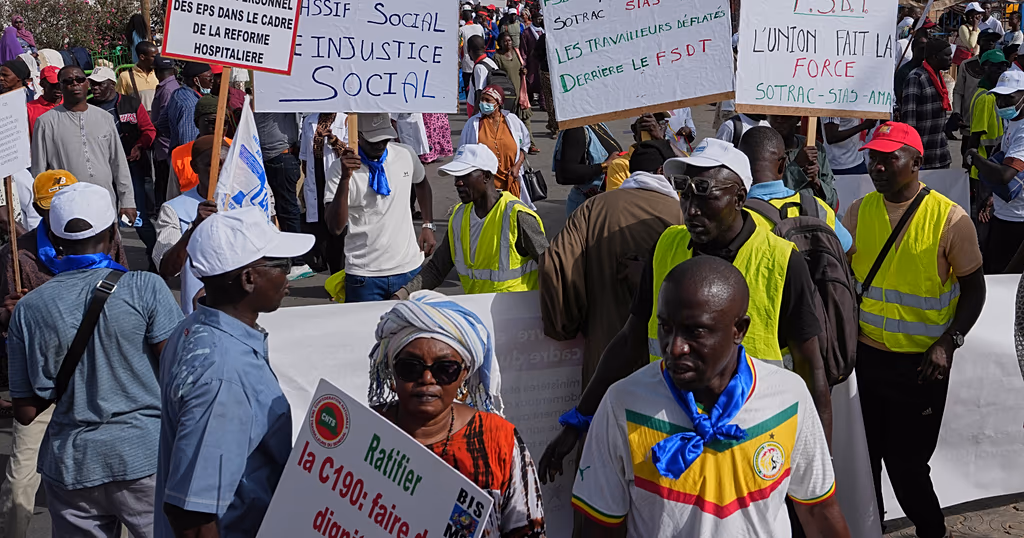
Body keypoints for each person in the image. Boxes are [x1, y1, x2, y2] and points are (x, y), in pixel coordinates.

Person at [539, 138, 831, 487]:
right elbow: (630, 340)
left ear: (739, 197)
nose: (691, 210)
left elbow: (811, 369)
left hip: (754, 447)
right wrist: (579, 420)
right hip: (669, 441)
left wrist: (818, 468)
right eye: (685, 194)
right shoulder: (667, 245)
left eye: (705, 195)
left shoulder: (780, 260)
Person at [572, 257, 850, 537]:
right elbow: (600, 527)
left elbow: (818, 510)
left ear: (739, 330)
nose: (675, 348)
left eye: (695, 332)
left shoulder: (788, 397)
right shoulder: (623, 403)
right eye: (666, 327)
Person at [7, 182, 183, 536]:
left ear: (53, 240)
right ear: (113, 233)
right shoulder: (145, 288)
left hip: (70, 466)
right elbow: (179, 373)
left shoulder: (27, 309)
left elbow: (25, 411)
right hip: (144, 457)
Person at [849, 122, 985, 538]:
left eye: (889, 158)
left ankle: (933, 531)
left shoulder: (951, 219)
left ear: (916, 162)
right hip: (866, 362)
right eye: (873, 157)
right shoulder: (856, 212)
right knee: (865, 462)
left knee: (907, 466)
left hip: (921, 367)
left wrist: (949, 341)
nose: (878, 166)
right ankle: (872, 529)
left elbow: (975, 291)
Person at [156, 206, 313, 538]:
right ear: (248, 279)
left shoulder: (191, 328)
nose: (288, 276)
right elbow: (192, 516)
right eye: (282, 265)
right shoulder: (223, 374)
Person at [0, 171, 129, 538]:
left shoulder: (108, 240)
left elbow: (121, 287)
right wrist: (10, 313)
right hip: (45, 382)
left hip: (102, 377)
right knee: (21, 476)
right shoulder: (18, 253)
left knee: (118, 479)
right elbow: (12, 328)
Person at [367, 290, 546, 537]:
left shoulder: (498, 440)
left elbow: (529, 530)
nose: (427, 378)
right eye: (410, 367)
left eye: (445, 369)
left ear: (463, 375)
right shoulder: (364, 432)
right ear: (392, 371)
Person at [541, 139, 682, 384]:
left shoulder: (592, 209)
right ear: (662, 171)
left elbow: (556, 264)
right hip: (663, 359)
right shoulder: (682, 214)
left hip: (604, 354)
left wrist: (566, 325)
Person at [395, 144, 546, 299]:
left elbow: (551, 266)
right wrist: (402, 294)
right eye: (456, 176)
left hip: (517, 310)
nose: (457, 183)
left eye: (465, 175)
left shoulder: (517, 216)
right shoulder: (459, 217)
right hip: (477, 308)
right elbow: (437, 268)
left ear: (486, 176)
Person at [324, 113, 436, 302]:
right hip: (365, 275)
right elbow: (335, 227)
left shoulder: (405, 154)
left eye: (385, 138)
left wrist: (428, 224)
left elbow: (422, 183)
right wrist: (345, 179)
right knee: (365, 323)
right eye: (373, 140)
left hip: (408, 269)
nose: (380, 144)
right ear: (358, 136)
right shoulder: (339, 169)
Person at [31, 66, 137, 223]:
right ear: (60, 86)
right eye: (68, 81)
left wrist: (127, 201)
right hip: (68, 205)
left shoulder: (104, 118)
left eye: (79, 80)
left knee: (110, 238)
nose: (75, 84)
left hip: (104, 200)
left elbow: (118, 163)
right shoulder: (46, 122)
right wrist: (44, 209)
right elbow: (39, 171)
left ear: (87, 83)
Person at [740, 126, 853, 253]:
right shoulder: (817, 207)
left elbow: (832, 199)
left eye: (786, 118)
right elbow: (849, 248)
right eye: (775, 117)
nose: (780, 121)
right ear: (783, 164)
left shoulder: (736, 211)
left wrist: (816, 182)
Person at [88, 65, 157, 260]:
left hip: (131, 169)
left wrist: (139, 146)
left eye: (100, 84)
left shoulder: (131, 103)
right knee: (105, 217)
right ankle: (112, 259)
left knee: (137, 217)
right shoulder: (88, 107)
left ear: (112, 85)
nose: (95, 88)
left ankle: (155, 256)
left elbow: (149, 130)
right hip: (102, 170)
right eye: (92, 84)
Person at [153, 136, 228, 314]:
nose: (220, 171)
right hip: (198, 312)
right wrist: (194, 228)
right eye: (212, 165)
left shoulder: (246, 203)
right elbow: (167, 269)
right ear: (195, 167)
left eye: (226, 164)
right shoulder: (174, 209)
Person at [967, 70, 1024, 273]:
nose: (1002, 103)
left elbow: (1004, 175)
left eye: (1009, 97)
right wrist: (992, 197)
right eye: (999, 97)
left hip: (1017, 221)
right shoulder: (1013, 123)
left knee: (1005, 278)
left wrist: (975, 157)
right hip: (1006, 213)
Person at [255, 112, 314, 280]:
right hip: (271, 156)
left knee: (287, 210)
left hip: (281, 156)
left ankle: (299, 262)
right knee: (281, 210)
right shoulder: (260, 100)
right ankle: (290, 258)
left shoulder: (276, 100)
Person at [459, 85, 531, 200]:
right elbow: (463, 152)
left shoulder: (512, 121)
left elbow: (525, 145)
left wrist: (517, 166)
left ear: (498, 102)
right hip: (485, 183)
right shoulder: (472, 124)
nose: (483, 103)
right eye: (481, 100)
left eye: (488, 100)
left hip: (511, 179)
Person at [299, 112, 348, 274]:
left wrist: (334, 140)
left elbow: (350, 154)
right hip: (315, 176)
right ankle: (324, 263)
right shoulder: (309, 120)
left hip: (336, 176)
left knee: (336, 227)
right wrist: (307, 179)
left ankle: (338, 270)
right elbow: (304, 155)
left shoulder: (345, 119)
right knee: (320, 224)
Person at [902, 38, 954, 170]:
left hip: (940, 154)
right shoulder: (916, 78)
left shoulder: (938, 77)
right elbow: (909, 121)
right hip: (923, 157)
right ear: (935, 57)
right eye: (947, 55)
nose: (951, 59)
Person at [167, 95, 231, 200]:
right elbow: (173, 197)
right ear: (197, 123)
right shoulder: (179, 154)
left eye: (223, 123)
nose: (217, 128)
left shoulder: (238, 150)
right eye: (211, 122)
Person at [553, 122, 624, 215]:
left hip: (603, 203)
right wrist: (604, 165)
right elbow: (565, 173)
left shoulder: (598, 124)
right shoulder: (575, 130)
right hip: (586, 207)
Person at [768, 115, 838, 208]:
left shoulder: (815, 148)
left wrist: (816, 182)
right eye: (775, 114)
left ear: (797, 119)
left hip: (813, 214)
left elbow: (832, 201)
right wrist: (797, 166)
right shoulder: (764, 150)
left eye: (786, 116)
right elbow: (769, 194)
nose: (779, 119)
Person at [494, 32, 538, 155]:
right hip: (508, 94)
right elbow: (497, 75)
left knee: (525, 118)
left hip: (520, 90)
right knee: (510, 121)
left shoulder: (516, 52)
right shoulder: (497, 57)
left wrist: (524, 71)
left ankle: (531, 144)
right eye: (505, 41)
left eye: (509, 40)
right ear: (500, 43)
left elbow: (523, 66)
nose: (508, 43)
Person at [952, 29, 1002, 138]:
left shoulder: (1001, 66)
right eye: (987, 40)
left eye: (993, 41)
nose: (990, 43)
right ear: (978, 42)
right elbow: (958, 91)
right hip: (969, 121)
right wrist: (956, 112)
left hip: (993, 123)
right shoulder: (967, 64)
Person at [151, 55, 179, 207]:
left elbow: (165, 121)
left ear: (156, 71)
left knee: (165, 187)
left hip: (165, 146)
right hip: (163, 146)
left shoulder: (167, 90)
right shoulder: (171, 86)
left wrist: (148, 125)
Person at [165, 62, 212, 151]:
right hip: (187, 156)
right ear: (196, 81)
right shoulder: (192, 106)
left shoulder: (177, 93)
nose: (212, 81)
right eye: (209, 78)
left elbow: (163, 124)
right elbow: (189, 145)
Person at [895, 22, 936, 109]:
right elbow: (899, 97)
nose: (923, 51)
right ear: (914, 49)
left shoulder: (929, 70)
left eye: (925, 48)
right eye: (921, 48)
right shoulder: (904, 71)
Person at [115, 41, 159, 111]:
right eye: (154, 56)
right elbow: (120, 102)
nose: (157, 59)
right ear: (142, 57)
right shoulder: (125, 77)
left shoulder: (159, 74)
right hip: (137, 116)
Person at [466, 35, 497, 117]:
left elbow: (479, 92)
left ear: (469, 50)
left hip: (480, 111)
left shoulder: (479, 67)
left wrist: (475, 114)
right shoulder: (491, 62)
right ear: (484, 48)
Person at [26, 65, 60, 136]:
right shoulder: (29, 109)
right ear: (42, 84)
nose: (59, 87)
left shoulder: (72, 104)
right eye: (54, 84)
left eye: (62, 83)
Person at [535, 32, 557, 136]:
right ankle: (554, 126)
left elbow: (536, 54)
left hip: (551, 70)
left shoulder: (545, 37)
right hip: (548, 71)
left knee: (551, 100)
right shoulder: (545, 38)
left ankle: (553, 125)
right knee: (551, 100)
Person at [459, 11, 485, 97]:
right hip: (480, 59)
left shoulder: (461, 30)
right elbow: (483, 40)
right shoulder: (480, 28)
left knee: (468, 87)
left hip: (467, 63)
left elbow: (460, 46)